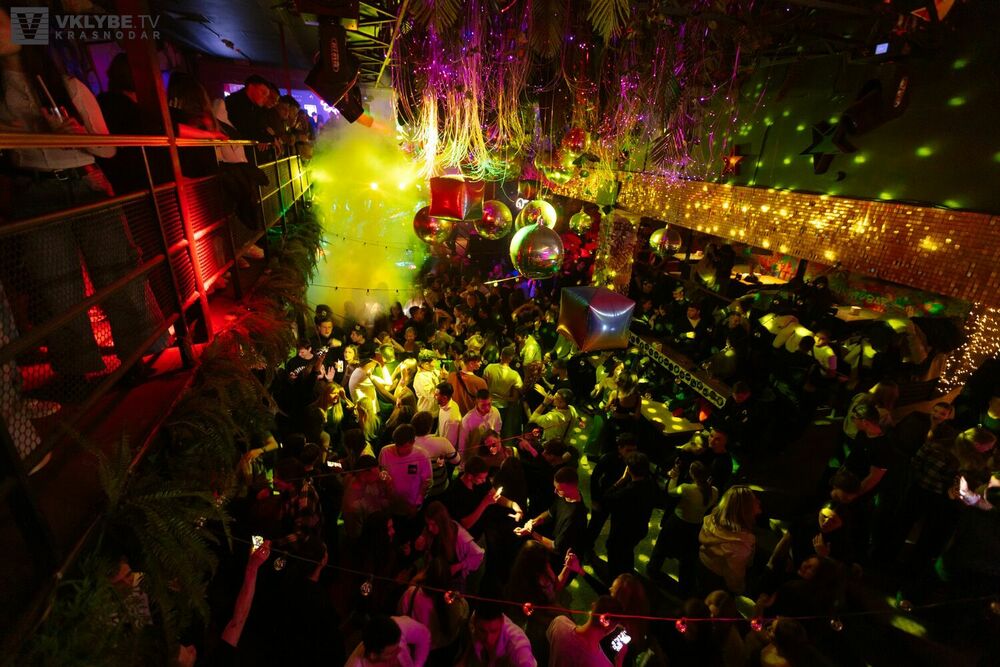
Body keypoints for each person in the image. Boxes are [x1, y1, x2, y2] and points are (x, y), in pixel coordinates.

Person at [0, 14, 163, 388]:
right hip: (34, 189)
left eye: (2, 21)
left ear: (25, 28)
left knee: (118, 273)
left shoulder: (68, 86)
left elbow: (108, 149)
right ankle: (77, 374)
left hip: (85, 182)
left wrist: (75, 134)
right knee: (58, 286)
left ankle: (136, 355)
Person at [648, 460, 718, 594]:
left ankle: (653, 569)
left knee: (662, 546)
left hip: (677, 522)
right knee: (688, 557)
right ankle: (685, 587)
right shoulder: (714, 491)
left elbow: (670, 491)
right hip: (696, 527)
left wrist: (674, 478)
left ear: (692, 474)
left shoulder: (687, 488)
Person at [603, 452, 658, 578]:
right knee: (627, 552)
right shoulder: (651, 484)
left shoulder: (628, 491)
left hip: (622, 531)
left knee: (615, 554)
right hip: (640, 528)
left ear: (629, 469)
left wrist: (621, 480)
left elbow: (607, 497)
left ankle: (616, 579)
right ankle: (628, 574)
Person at [516, 466, 588, 561]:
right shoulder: (565, 496)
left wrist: (531, 532)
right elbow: (550, 512)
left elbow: (556, 548)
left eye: (559, 489)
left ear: (572, 488)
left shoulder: (574, 516)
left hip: (564, 558)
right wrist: (533, 522)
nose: (555, 491)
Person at [698, 485, 760, 594]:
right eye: (754, 500)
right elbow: (734, 575)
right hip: (717, 580)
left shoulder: (712, 518)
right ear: (745, 510)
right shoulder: (740, 545)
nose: (758, 502)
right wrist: (740, 589)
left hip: (703, 563)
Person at [545, 595, 623, 667]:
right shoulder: (603, 664)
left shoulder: (559, 623)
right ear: (606, 621)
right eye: (616, 626)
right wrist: (619, 661)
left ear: (593, 606)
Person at [459, 599, 536, 667]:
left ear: (502, 621)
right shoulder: (473, 621)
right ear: (475, 622)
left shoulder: (517, 645)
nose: (488, 639)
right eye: (482, 631)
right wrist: (463, 661)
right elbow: (473, 635)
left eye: (493, 631)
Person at [345, 614, 431, 667]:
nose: (399, 651)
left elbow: (424, 636)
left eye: (398, 645)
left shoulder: (399, 626)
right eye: (391, 653)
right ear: (373, 655)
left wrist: (417, 665)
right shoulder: (355, 665)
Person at [412, 411, 458, 498]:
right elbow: (457, 461)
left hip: (417, 489)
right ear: (430, 427)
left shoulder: (408, 444)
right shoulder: (442, 442)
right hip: (440, 487)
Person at [458, 389, 502, 462]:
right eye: (483, 405)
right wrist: (462, 463)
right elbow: (462, 445)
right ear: (476, 403)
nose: (487, 408)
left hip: (491, 455)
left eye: (489, 404)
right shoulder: (467, 419)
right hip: (475, 458)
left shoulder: (495, 412)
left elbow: (497, 431)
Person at [436, 381, 462, 449]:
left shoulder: (451, 420)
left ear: (444, 398)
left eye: (436, 395)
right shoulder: (448, 404)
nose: (434, 396)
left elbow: (449, 444)